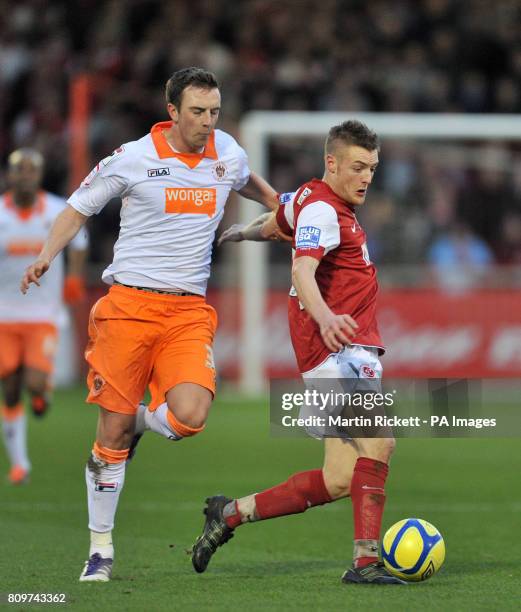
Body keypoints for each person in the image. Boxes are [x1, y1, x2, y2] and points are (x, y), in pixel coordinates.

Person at [20, 67, 279, 582]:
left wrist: (277, 203)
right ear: (173, 112)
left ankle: (137, 421)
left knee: (189, 416)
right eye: (198, 112)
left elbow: (243, 177)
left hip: (186, 312)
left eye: (214, 112)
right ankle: (100, 551)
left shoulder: (225, 150)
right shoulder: (133, 157)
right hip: (129, 308)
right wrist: (47, 254)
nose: (207, 122)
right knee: (109, 435)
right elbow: (78, 207)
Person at [191, 120, 404, 585]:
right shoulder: (326, 212)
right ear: (332, 162)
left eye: (372, 167)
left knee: (338, 480)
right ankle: (366, 563)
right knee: (380, 442)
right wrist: (326, 317)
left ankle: (228, 515)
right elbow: (305, 270)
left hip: (340, 352)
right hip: (336, 353)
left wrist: (240, 233)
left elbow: (276, 223)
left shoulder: (309, 198)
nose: (366, 177)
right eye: (357, 167)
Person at [0, 148, 87, 485]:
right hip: (5, 316)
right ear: (10, 175)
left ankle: (40, 391)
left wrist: (75, 277)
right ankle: (20, 463)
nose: (25, 176)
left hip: (43, 314)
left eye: (31, 171)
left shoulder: (55, 210)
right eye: (19, 170)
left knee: (33, 382)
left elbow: (79, 241)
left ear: (38, 176)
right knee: (8, 389)